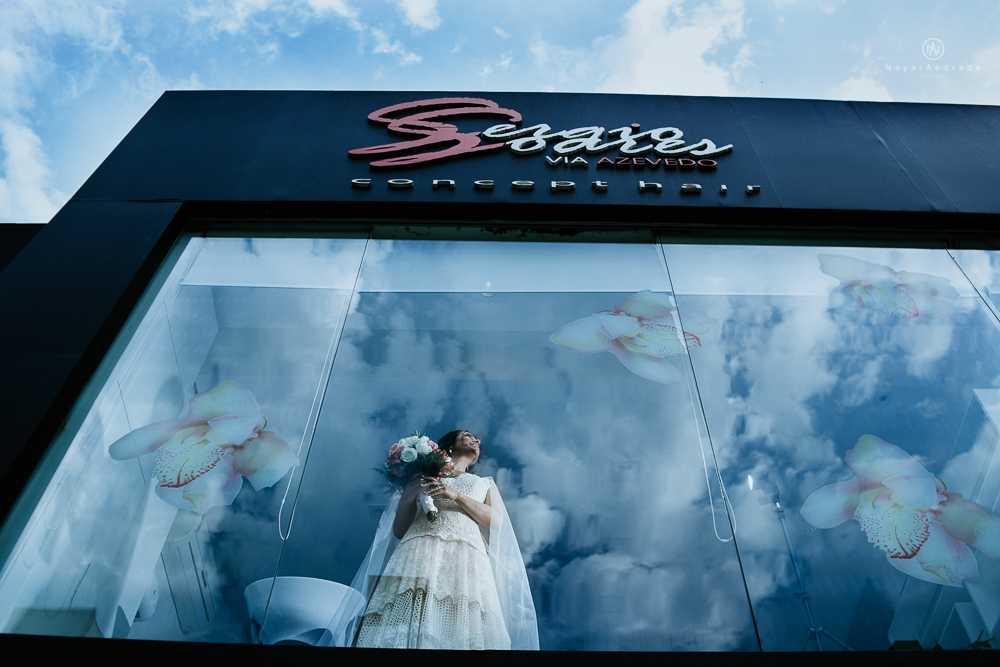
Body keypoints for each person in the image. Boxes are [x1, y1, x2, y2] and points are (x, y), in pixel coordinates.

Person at [348, 430, 538, 650]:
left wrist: (455, 494)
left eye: (476, 439)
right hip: (420, 550)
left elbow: (495, 520)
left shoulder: (484, 483)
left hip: (465, 555)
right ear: (448, 446)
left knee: (460, 617)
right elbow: (399, 530)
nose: (476, 440)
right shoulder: (427, 477)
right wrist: (409, 496)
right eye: (467, 435)